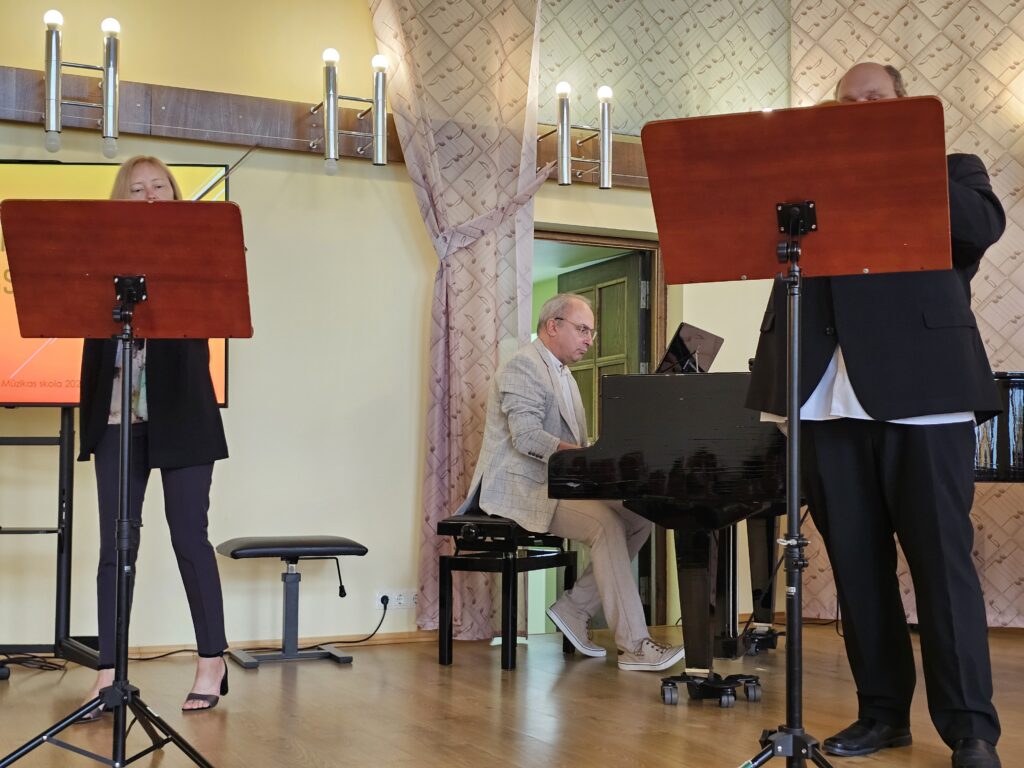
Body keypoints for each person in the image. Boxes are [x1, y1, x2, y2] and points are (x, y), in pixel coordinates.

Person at [747, 63, 1003, 768]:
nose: (860, 108)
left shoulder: (952, 167)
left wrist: (900, 159)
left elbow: (980, 228)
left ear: (906, 104)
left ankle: (971, 730)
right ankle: (883, 715)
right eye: (847, 101)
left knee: (943, 569)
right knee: (857, 572)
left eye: (876, 98)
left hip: (924, 397)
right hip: (825, 399)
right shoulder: (805, 180)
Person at [456, 293, 686, 672]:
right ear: (552, 326)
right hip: (521, 489)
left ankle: (574, 609)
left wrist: (602, 452)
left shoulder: (566, 377)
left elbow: (575, 444)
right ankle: (635, 646)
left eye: (591, 332)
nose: (589, 340)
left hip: (556, 483)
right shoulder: (523, 367)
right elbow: (527, 437)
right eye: (582, 330)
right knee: (606, 524)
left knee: (640, 518)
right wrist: (586, 455)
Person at [77, 156, 230, 717]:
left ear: (174, 194)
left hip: (183, 413)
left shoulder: (198, 253)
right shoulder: (98, 258)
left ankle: (211, 660)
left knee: (189, 537)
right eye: (136, 188)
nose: (147, 195)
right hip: (116, 416)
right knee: (115, 547)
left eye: (158, 187)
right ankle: (108, 672)